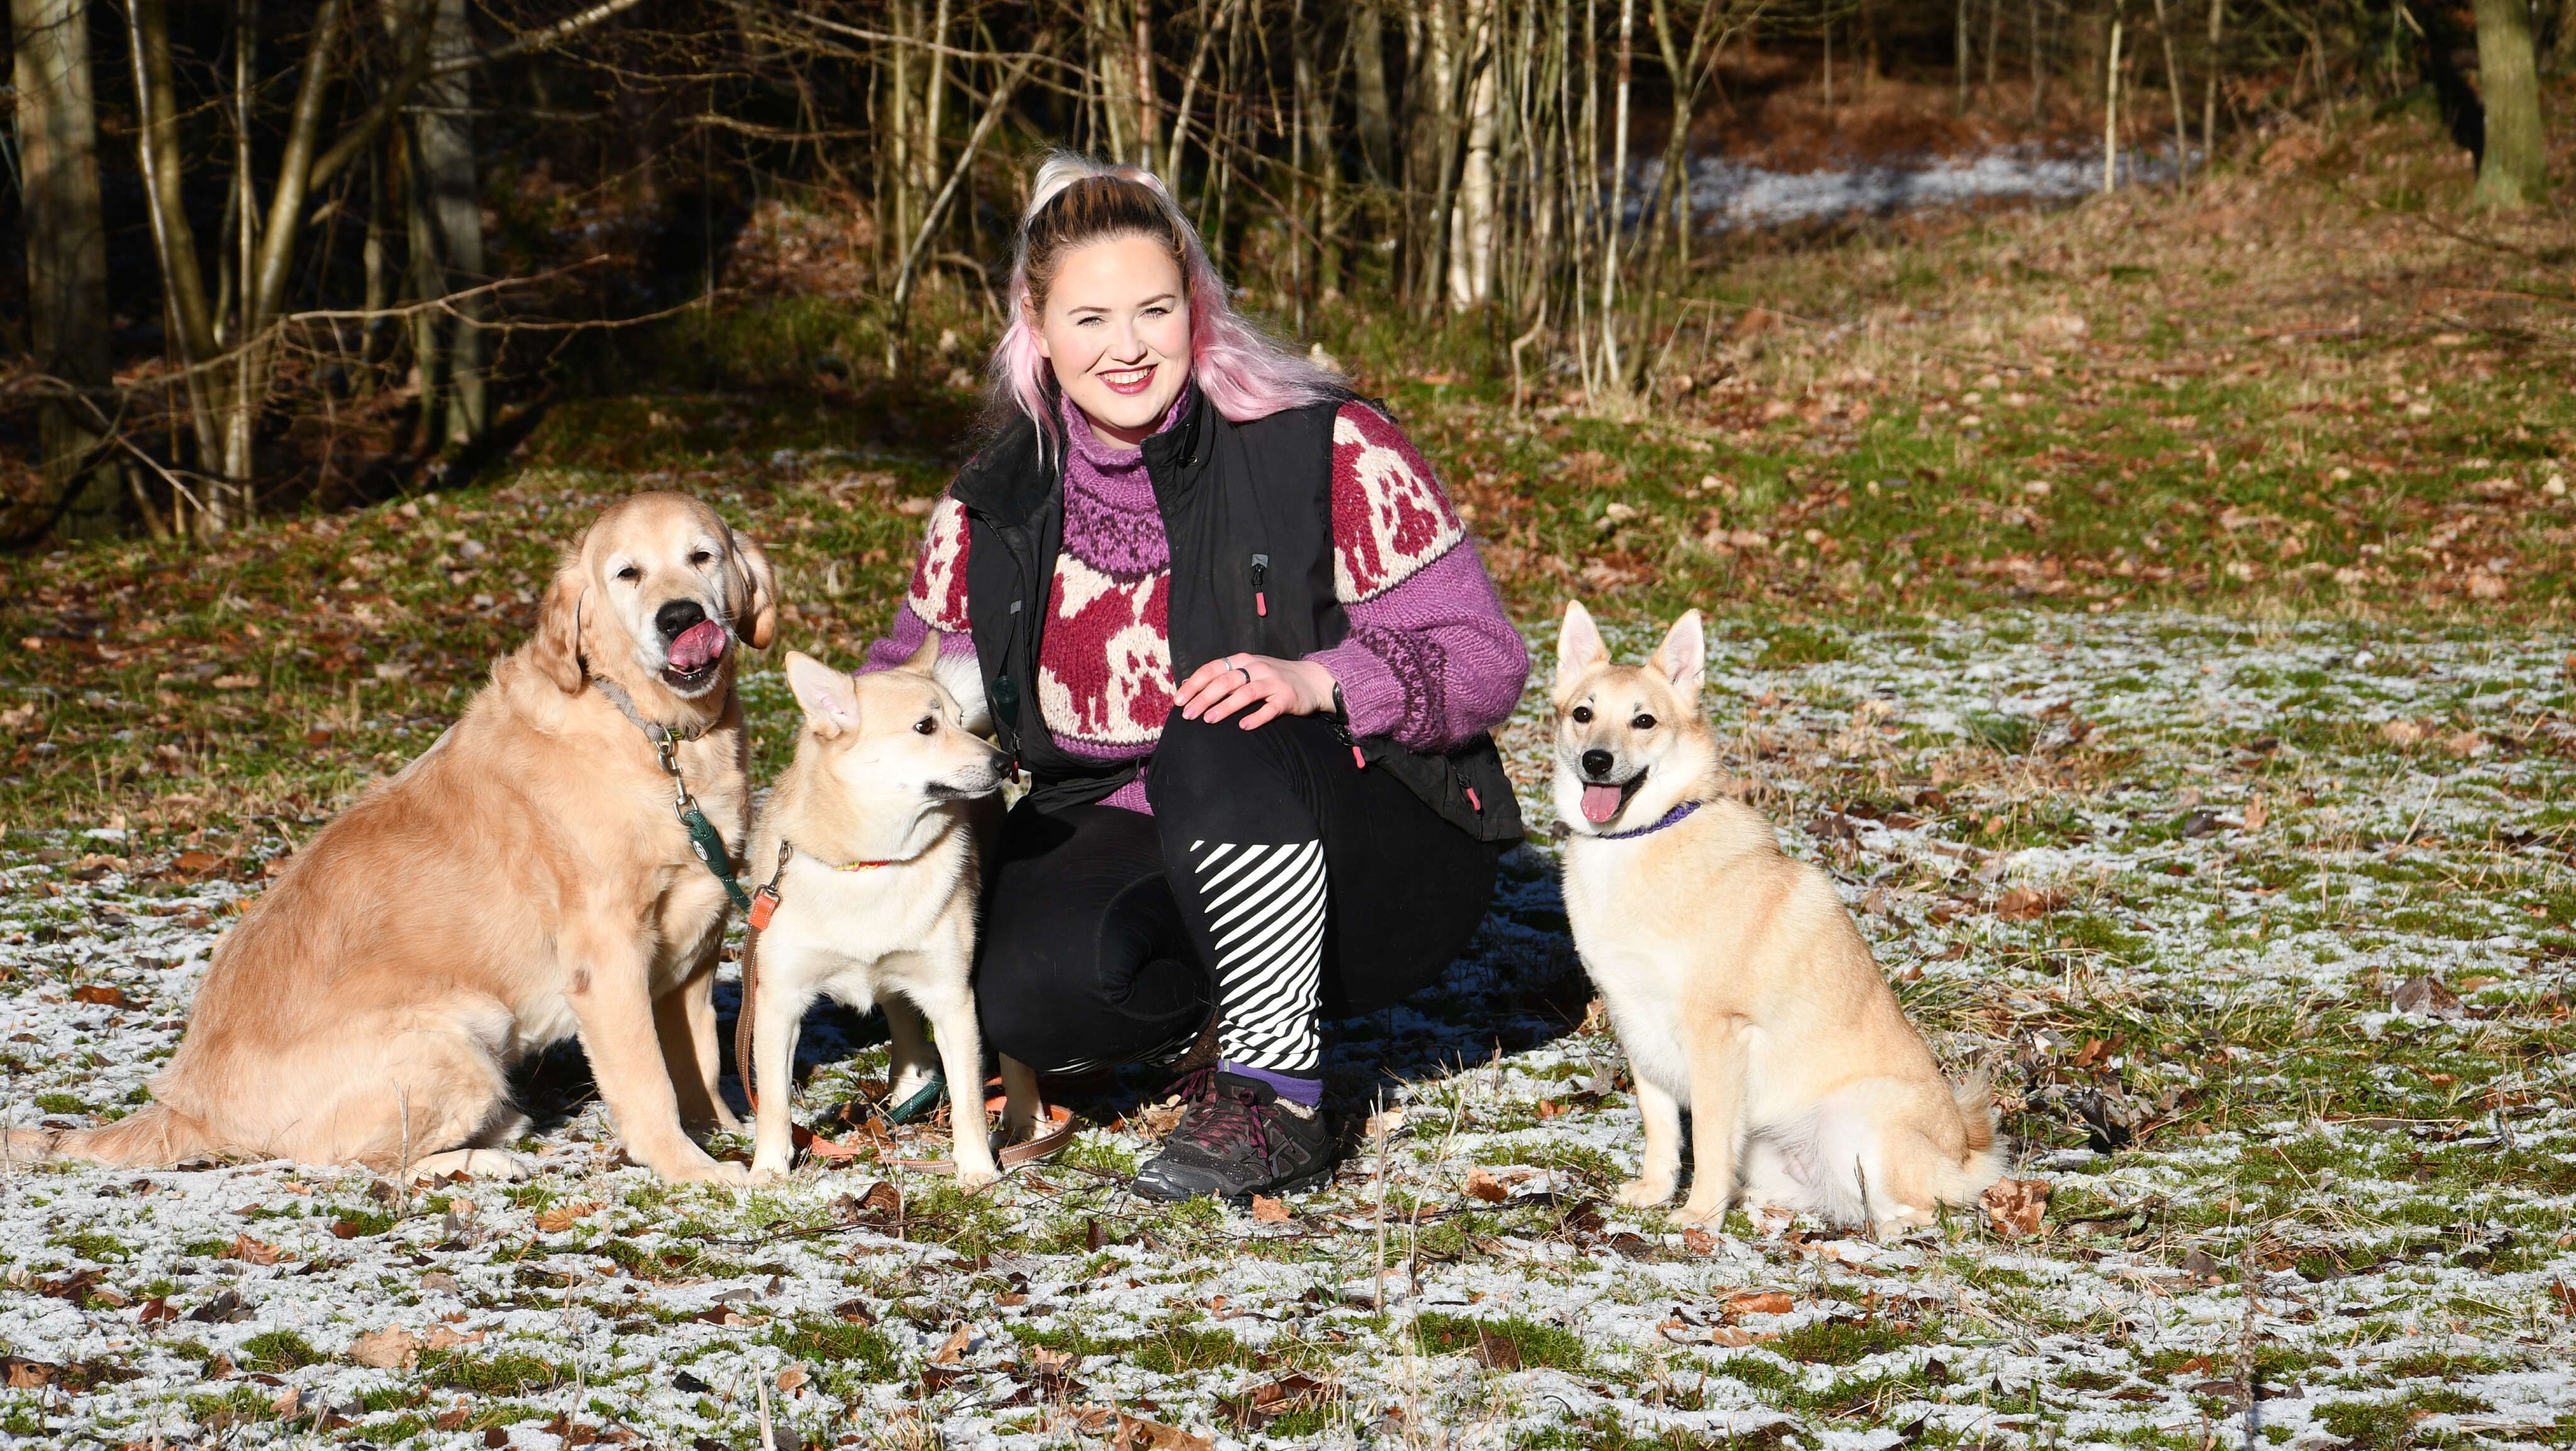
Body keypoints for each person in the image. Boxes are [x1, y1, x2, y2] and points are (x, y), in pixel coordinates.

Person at [860, 152, 1528, 1201]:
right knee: (1027, 993)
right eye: (1090, 319)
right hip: (1129, 830)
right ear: (1036, 327)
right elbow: (899, 692)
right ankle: (1226, 1003)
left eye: (1154, 311)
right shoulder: (994, 505)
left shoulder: (1323, 444)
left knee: (1215, 720)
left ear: (1195, 305)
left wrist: (1322, 680)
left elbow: (1488, 654)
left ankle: (1275, 1100)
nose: (1127, 348)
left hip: (1368, 842)